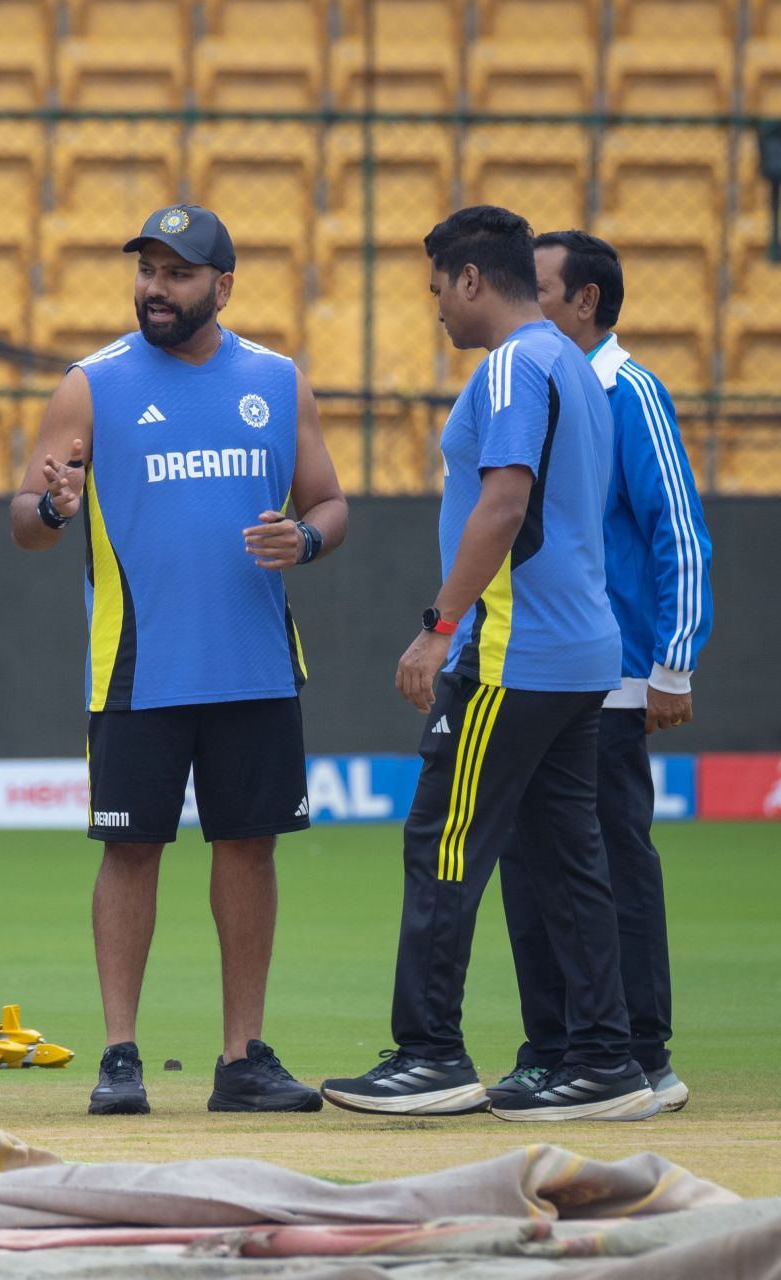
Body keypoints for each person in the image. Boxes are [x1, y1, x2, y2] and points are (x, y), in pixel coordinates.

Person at [321, 206, 657, 1123]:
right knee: (566, 858)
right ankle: (603, 1061)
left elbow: (504, 507)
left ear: (471, 278)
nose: (435, 305)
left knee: (445, 842)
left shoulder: (512, 365)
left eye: (437, 286)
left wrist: (440, 624)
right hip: (582, 649)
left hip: (515, 653)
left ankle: (430, 1054)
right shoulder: (571, 362)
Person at [10, 205, 348, 1117]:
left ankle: (243, 1059)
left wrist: (305, 541)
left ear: (223, 286)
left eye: (179, 273)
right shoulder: (91, 384)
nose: (156, 288)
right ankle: (120, 1058)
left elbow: (328, 501)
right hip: (138, 668)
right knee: (131, 850)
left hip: (255, 665)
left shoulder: (278, 382)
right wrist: (53, 508)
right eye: (148, 270)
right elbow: (25, 521)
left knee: (249, 849)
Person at [486, 231, 714, 1114]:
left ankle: (642, 1052)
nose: (523, 301)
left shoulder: (631, 391)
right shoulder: (540, 388)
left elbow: (678, 533)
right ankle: (553, 1048)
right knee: (528, 866)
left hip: (612, 680)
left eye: (538, 287)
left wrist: (674, 665)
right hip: (530, 670)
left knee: (611, 864)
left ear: (585, 302)